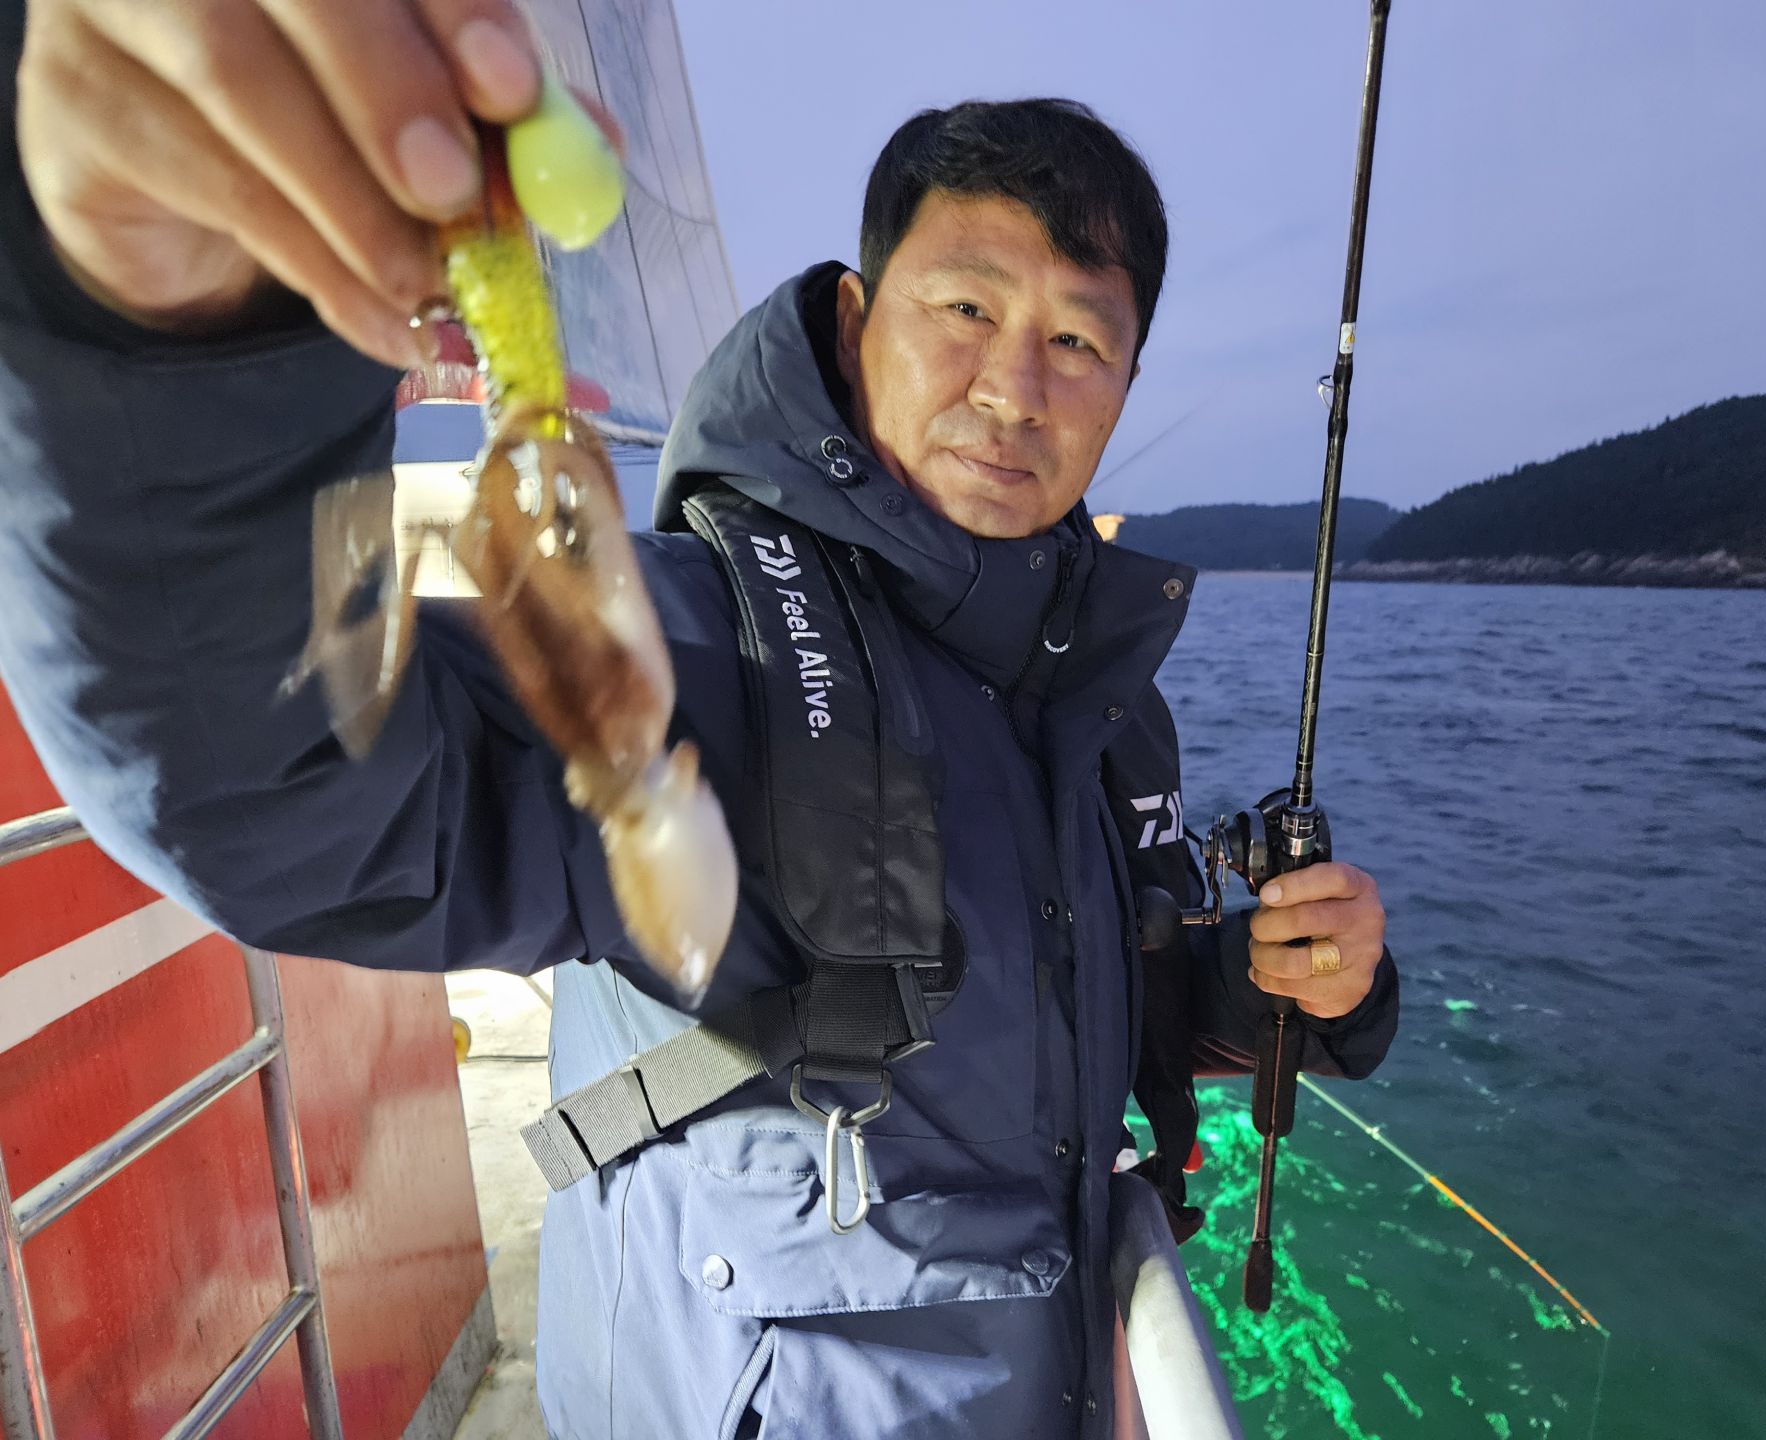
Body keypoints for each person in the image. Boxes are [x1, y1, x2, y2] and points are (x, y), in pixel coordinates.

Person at [0, 3, 1397, 1435]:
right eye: (966, 309)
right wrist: (172, 348)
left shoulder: (1102, 701)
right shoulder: (686, 629)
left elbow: (1086, 1003)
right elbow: (287, 791)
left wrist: (1285, 987)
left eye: (1079, 340)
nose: (1012, 388)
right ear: (854, 323)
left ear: (1127, 386)